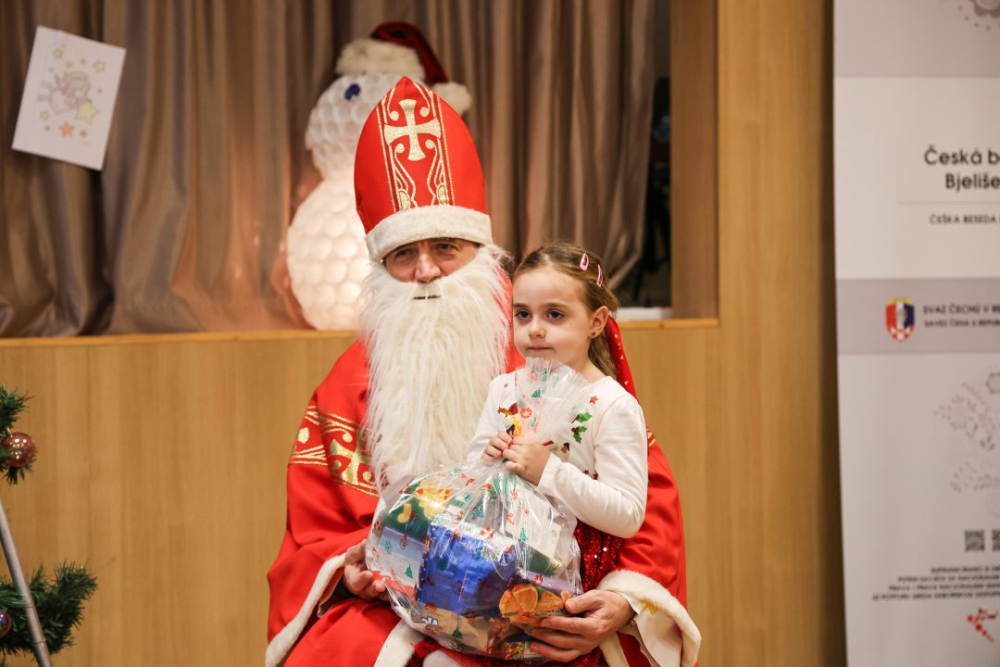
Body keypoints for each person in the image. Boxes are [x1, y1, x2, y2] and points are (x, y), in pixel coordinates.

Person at [266, 78, 700, 667]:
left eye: (445, 246)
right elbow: (312, 528)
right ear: (380, 264)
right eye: (403, 254)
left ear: (479, 250)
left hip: (544, 600)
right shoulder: (347, 384)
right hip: (400, 605)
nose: (426, 271)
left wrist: (623, 601)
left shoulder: (546, 353)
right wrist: (350, 565)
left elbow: (645, 495)